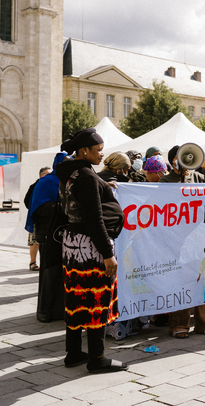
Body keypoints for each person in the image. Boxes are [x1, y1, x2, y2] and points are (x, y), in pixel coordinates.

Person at [56, 128, 127, 373]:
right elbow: (94, 219)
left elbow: (80, 197)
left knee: (76, 298)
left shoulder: (70, 172)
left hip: (72, 246)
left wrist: (101, 185)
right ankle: (97, 358)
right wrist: (107, 254)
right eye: (98, 150)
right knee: (97, 298)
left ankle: (73, 352)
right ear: (84, 150)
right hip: (91, 247)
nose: (101, 153)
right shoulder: (86, 177)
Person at [160, 144, 205, 338]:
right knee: (181, 281)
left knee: (202, 281)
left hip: (198, 238)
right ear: (173, 161)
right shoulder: (165, 180)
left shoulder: (199, 177)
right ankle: (179, 325)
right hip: (176, 239)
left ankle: (202, 322)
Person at [27, 153, 68, 322]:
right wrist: (61, 207)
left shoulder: (69, 181)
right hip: (48, 233)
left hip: (65, 234)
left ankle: (61, 310)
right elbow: (36, 206)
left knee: (63, 273)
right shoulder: (45, 182)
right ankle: (46, 311)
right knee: (50, 272)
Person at [23, 166, 51, 271]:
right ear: (41, 175)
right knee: (34, 240)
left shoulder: (51, 185)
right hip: (36, 218)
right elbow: (27, 201)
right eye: (47, 174)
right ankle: (33, 262)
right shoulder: (34, 186)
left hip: (48, 219)